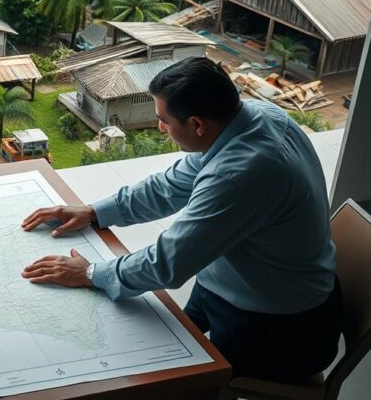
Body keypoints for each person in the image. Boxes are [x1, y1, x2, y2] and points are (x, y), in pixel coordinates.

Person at [19, 57, 341, 384]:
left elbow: (167, 263)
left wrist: (90, 272)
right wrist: (95, 212)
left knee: (178, 381)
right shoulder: (256, 116)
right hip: (235, 285)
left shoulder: (239, 176)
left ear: (197, 125)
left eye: (164, 120)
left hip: (277, 327)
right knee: (153, 344)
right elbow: (171, 185)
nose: (160, 127)